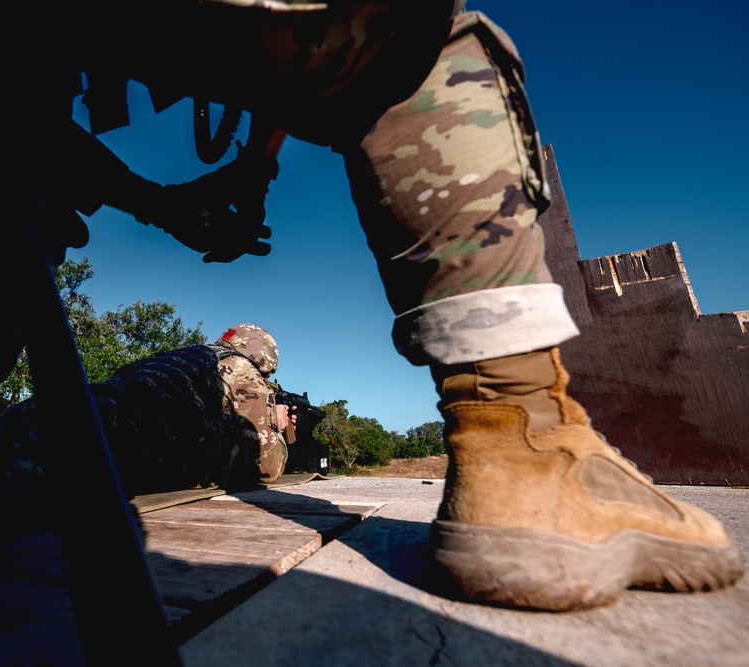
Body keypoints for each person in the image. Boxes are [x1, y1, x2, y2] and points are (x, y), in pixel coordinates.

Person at [71, 0, 745, 612]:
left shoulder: (196, 360)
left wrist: (187, 196)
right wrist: (270, 425)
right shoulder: (234, 376)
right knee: (418, 42)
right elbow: (265, 464)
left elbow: (28, 126)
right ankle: (522, 442)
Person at [0, 323, 295, 498]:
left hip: (75, 407)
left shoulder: (189, 356)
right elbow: (265, 466)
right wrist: (277, 426)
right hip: (115, 443)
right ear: (262, 358)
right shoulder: (240, 369)